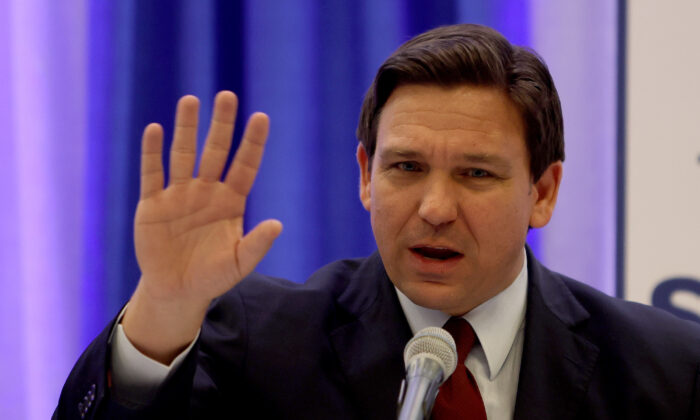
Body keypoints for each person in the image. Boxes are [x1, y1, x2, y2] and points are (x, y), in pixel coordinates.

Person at [54, 24, 700, 419]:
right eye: (406, 167)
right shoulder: (257, 344)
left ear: (543, 191)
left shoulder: (665, 370)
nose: (435, 209)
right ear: (366, 174)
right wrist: (163, 310)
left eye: (476, 174)